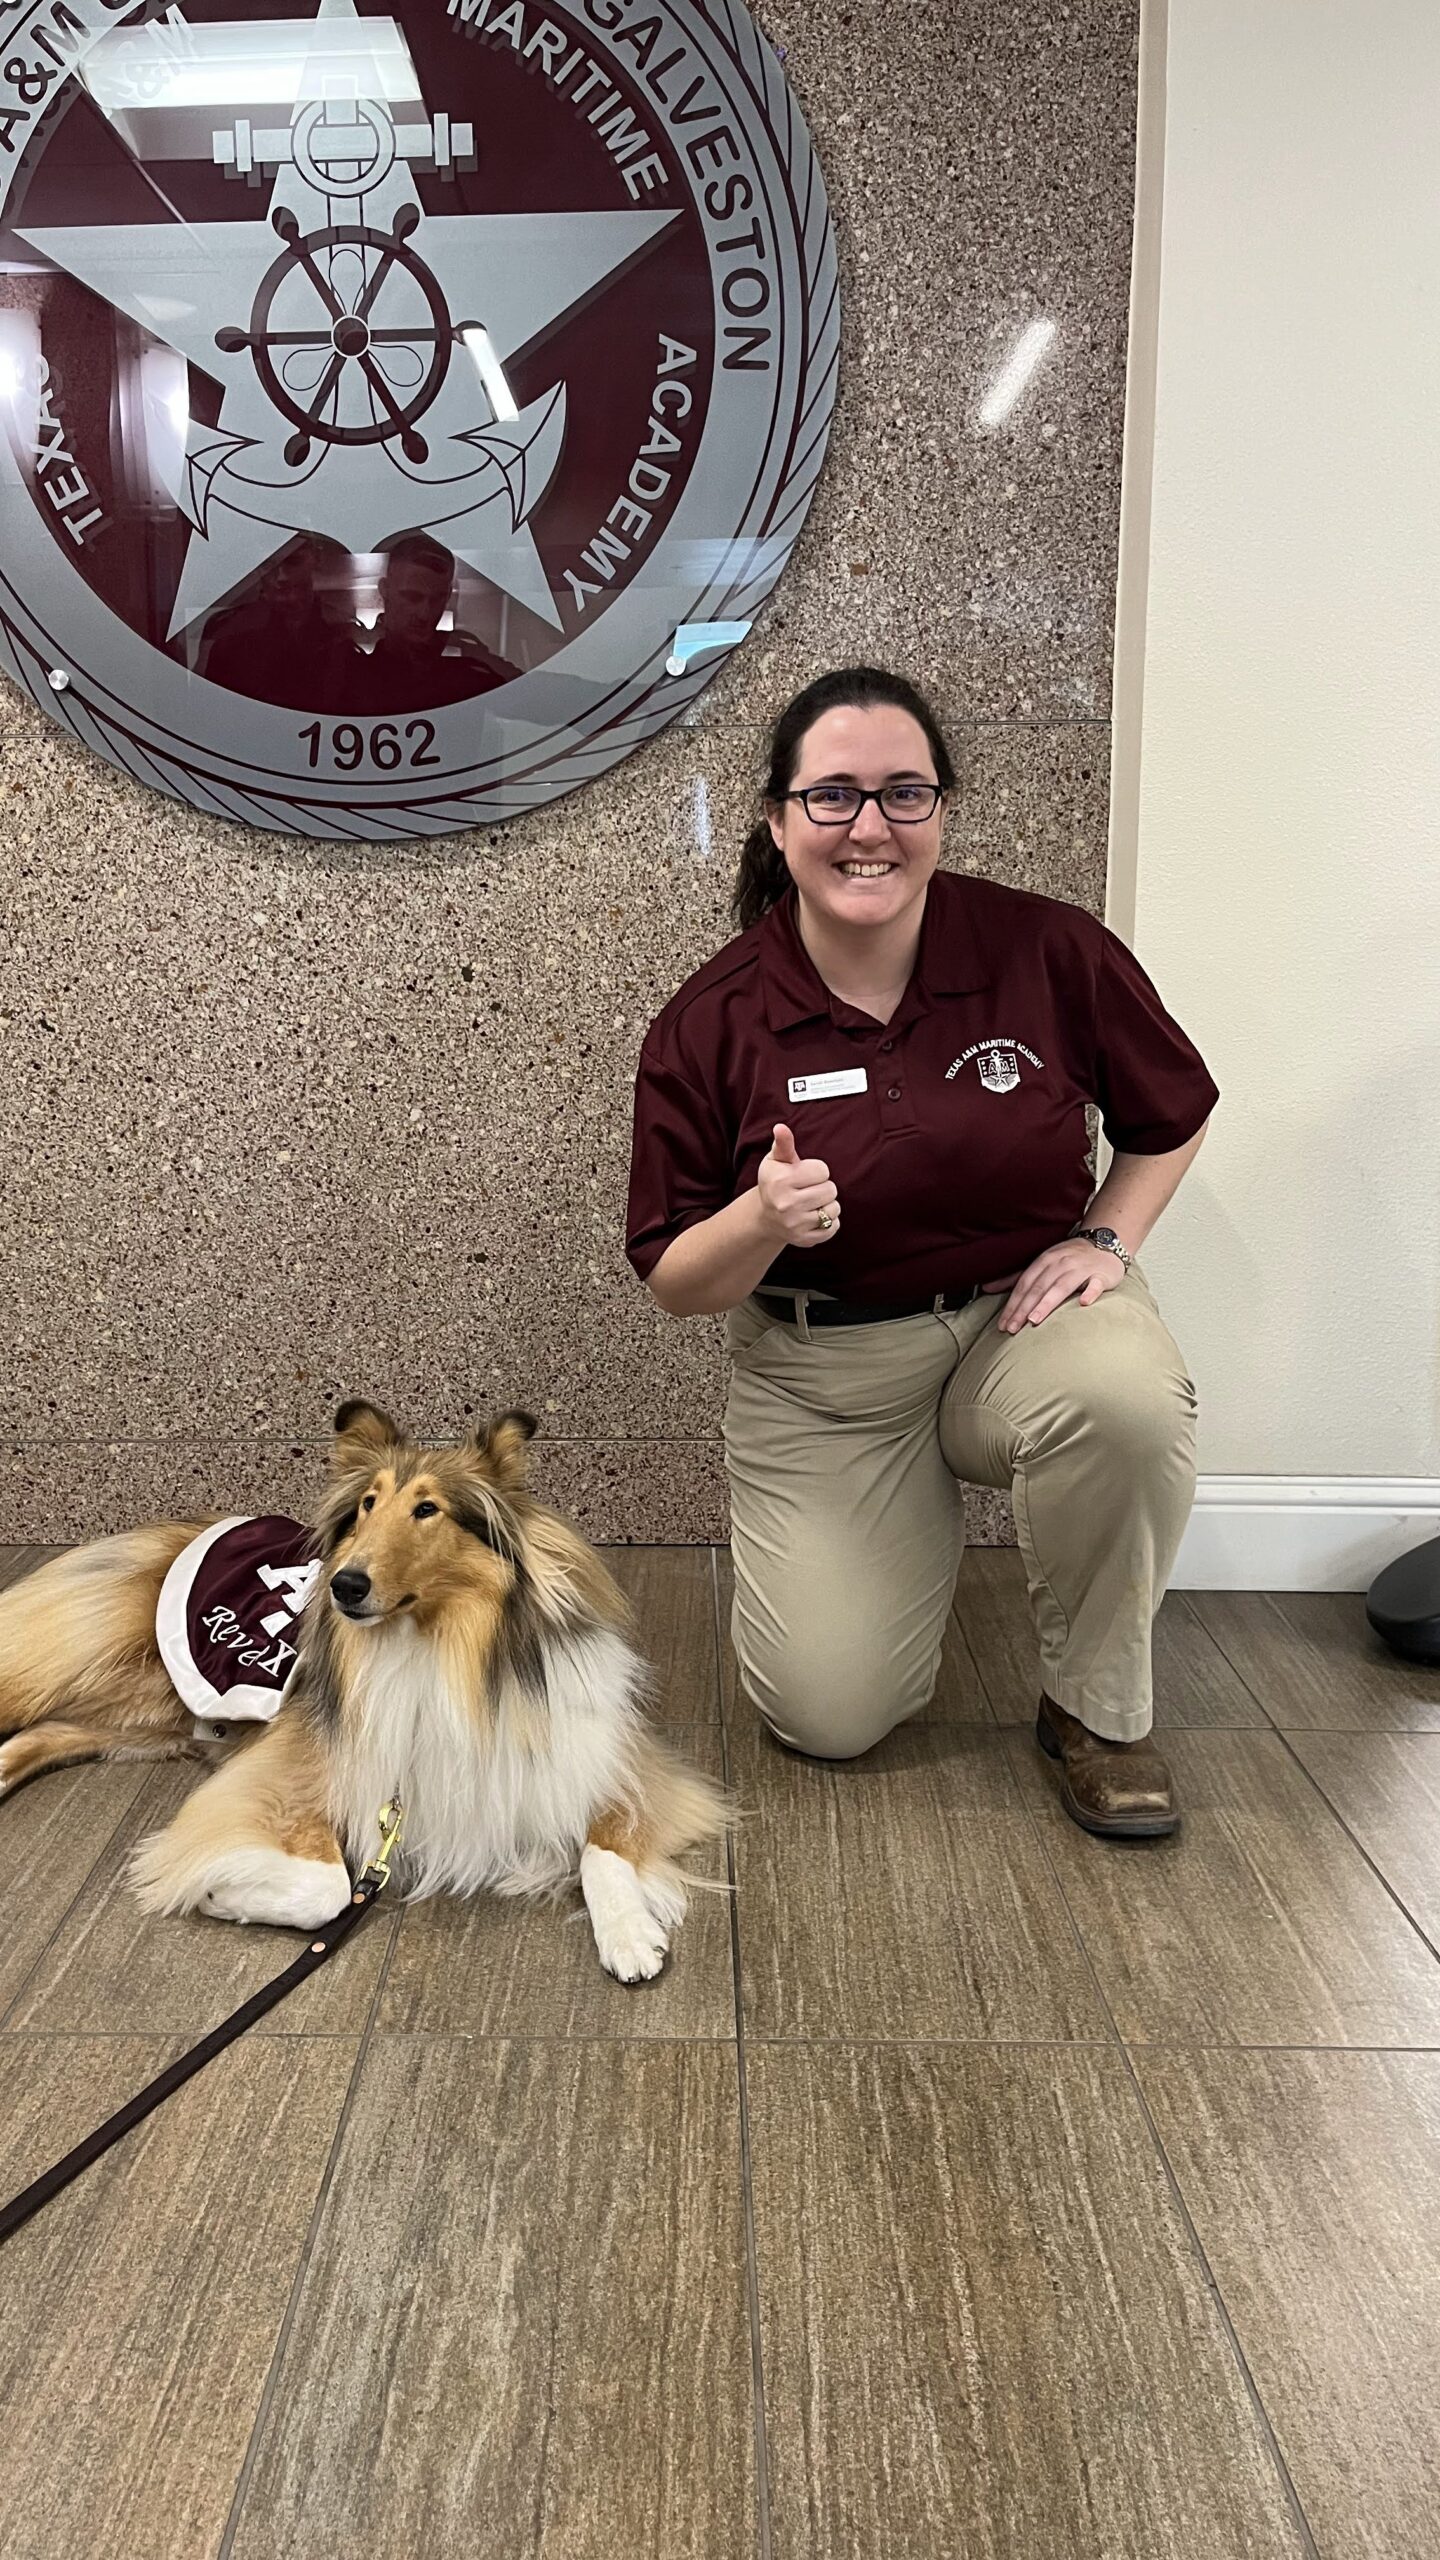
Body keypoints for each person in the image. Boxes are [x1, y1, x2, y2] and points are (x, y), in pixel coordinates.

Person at [625, 667, 1218, 1839]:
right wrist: (757, 1219)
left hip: (1019, 1322)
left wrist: (1107, 1234)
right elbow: (672, 1282)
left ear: (941, 810)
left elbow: (1173, 1112)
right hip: (825, 1377)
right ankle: (897, 1548)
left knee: (1127, 1403)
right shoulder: (711, 1020)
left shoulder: (1047, 949)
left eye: (905, 793)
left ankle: (1095, 1711)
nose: (870, 828)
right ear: (778, 818)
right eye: (834, 796)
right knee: (830, 1717)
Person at [348, 531, 513, 712]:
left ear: (447, 597)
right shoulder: (349, 675)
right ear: (385, 590)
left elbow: (536, 701)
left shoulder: (465, 675)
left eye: (437, 599)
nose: (424, 613)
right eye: (412, 597)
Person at [198, 535, 352, 710]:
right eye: (268, 564)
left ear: (316, 558)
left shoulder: (343, 630)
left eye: (293, 561)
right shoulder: (226, 630)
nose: (281, 577)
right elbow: (206, 704)